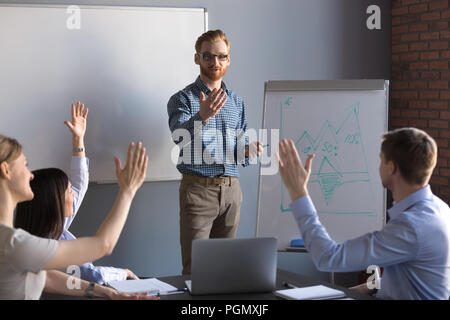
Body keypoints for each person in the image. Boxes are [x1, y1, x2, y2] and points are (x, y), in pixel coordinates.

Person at [276, 127, 450, 300]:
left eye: (381, 160)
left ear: (391, 168)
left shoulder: (411, 226)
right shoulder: (440, 210)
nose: (378, 166)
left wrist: (298, 191)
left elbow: (328, 257)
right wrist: (371, 286)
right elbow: (416, 274)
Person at [0, 130, 156, 299]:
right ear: (6, 170)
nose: (31, 175)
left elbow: (48, 277)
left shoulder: (14, 242)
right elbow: (103, 245)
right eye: (25, 165)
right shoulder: (14, 243)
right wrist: (128, 190)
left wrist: (109, 293)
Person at [167, 29, 263, 274]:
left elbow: (237, 149)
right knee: (196, 270)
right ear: (197, 58)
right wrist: (202, 116)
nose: (215, 62)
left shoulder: (237, 101)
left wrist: (247, 151)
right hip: (198, 191)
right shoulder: (182, 99)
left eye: (221, 56)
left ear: (228, 59)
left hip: (232, 191)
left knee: (224, 269)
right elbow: (181, 139)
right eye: (208, 56)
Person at [15, 102, 140, 285]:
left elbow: (80, 183)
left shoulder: (50, 227)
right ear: (54, 202)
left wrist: (78, 140)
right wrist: (125, 273)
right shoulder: (48, 244)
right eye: (68, 192)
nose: (73, 195)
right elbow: (93, 277)